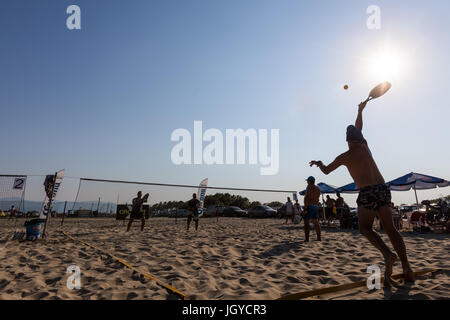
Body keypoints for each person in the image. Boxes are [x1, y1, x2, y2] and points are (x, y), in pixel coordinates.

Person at [309, 100, 414, 283]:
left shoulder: (345, 156)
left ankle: (387, 254)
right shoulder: (365, 147)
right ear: (359, 138)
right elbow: (359, 127)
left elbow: (326, 171)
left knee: (365, 228)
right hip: (383, 189)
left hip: (367, 192)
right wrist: (360, 110)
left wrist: (319, 164)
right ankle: (407, 266)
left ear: (347, 140)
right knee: (390, 229)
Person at [303, 176, 322, 242]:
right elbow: (317, 198)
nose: (307, 182)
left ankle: (307, 239)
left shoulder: (309, 187)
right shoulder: (318, 188)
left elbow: (306, 197)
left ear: (310, 181)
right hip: (315, 206)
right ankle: (319, 238)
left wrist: (305, 208)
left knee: (306, 223)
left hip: (310, 206)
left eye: (307, 181)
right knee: (316, 222)